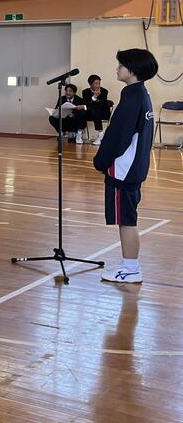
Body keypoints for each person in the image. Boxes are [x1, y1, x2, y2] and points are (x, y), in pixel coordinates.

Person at [94, 49, 158, 284]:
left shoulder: (133, 98)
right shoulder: (141, 94)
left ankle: (131, 268)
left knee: (127, 220)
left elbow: (118, 137)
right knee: (127, 218)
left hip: (123, 170)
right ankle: (130, 266)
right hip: (133, 168)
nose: (117, 68)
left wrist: (101, 161)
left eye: (121, 65)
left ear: (133, 69)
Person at [82, 74, 113, 146]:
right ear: (90, 84)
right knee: (83, 112)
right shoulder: (85, 92)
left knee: (95, 110)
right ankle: (79, 133)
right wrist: (94, 97)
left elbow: (102, 105)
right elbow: (86, 104)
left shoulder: (104, 91)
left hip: (103, 113)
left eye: (99, 83)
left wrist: (92, 103)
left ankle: (100, 134)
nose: (98, 85)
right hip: (90, 114)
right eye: (96, 83)